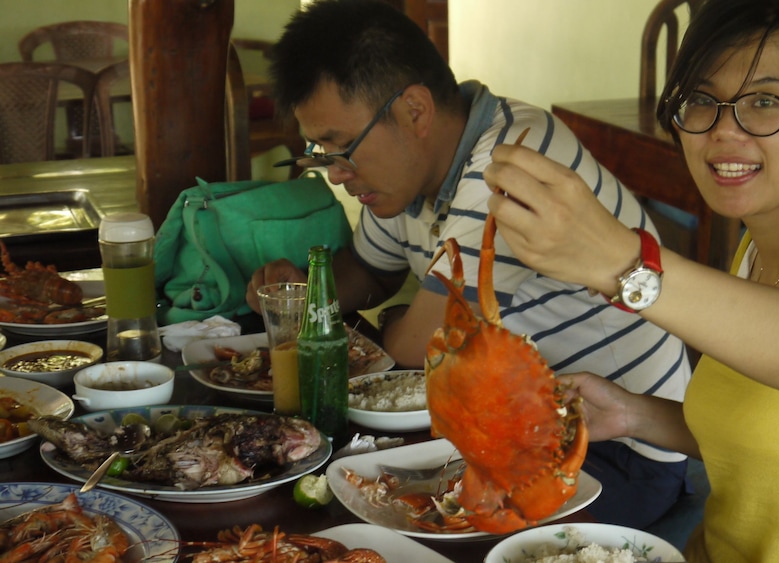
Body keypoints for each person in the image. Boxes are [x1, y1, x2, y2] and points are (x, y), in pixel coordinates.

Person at [482, 0, 779, 560]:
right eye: (702, 100)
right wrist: (634, 414)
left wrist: (623, 262)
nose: (724, 130)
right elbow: (770, 433)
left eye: (765, 102)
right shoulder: (755, 253)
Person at [245, 0, 692, 528]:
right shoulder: (403, 176)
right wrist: (303, 292)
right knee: (320, 486)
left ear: (415, 111)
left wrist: (401, 324)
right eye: (321, 154)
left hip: (617, 445)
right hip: (505, 427)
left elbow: (418, 349)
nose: (336, 174)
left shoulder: (511, 160)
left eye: (342, 149)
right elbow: (370, 274)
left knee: (384, 522)